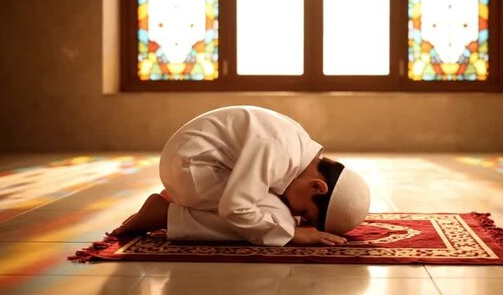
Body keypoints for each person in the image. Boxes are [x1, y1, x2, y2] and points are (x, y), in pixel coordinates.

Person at [111, 105, 370, 246]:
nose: (299, 213)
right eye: (307, 213)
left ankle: (175, 208)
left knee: (278, 216)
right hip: (190, 169)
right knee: (278, 221)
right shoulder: (278, 149)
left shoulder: (296, 146)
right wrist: (292, 234)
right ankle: (166, 215)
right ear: (317, 187)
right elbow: (236, 207)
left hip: (199, 163)